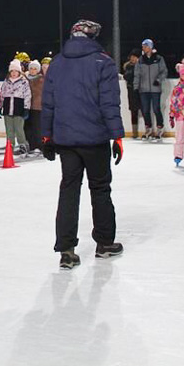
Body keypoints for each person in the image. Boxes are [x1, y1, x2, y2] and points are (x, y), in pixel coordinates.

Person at [41, 19, 124, 270]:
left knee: (69, 190)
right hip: (95, 138)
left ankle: (66, 250)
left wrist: (46, 136)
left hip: (66, 140)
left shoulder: (56, 64)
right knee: (100, 188)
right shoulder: (103, 62)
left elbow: (48, 104)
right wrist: (117, 136)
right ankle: (104, 243)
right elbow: (110, 103)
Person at [132, 38, 167, 140]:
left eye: (145, 46)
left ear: (150, 47)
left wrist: (159, 80)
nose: (143, 48)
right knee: (145, 110)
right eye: (143, 46)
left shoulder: (159, 59)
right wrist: (136, 87)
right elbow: (137, 75)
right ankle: (148, 128)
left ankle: (160, 128)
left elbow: (164, 71)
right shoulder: (141, 60)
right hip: (143, 89)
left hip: (156, 89)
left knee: (156, 109)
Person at [0, 59, 31, 155]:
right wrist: (0, 106)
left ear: (19, 71)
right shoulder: (6, 82)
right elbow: (2, 94)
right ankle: (10, 146)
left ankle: (23, 145)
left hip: (19, 108)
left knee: (19, 129)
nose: (13, 73)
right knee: (9, 130)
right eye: (12, 71)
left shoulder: (24, 82)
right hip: (8, 108)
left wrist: (26, 108)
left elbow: (28, 95)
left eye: (15, 71)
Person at [25, 60, 45, 155]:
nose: (33, 70)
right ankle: (31, 146)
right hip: (27, 107)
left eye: (35, 69)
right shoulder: (25, 78)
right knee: (27, 127)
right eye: (31, 68)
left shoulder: (41, 79)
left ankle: (40, 146)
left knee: (37, 128)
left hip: (37, 107)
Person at [122, 49, 142, 139]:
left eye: (135, 57)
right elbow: (127, 76)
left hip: (141, 90)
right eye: (132, 57)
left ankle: (148, 130)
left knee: (145, 110)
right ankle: (134, 132)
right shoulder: (128, 67)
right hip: (131, 90)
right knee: (133, 111)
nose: (133, 58)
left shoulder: (142, 66)